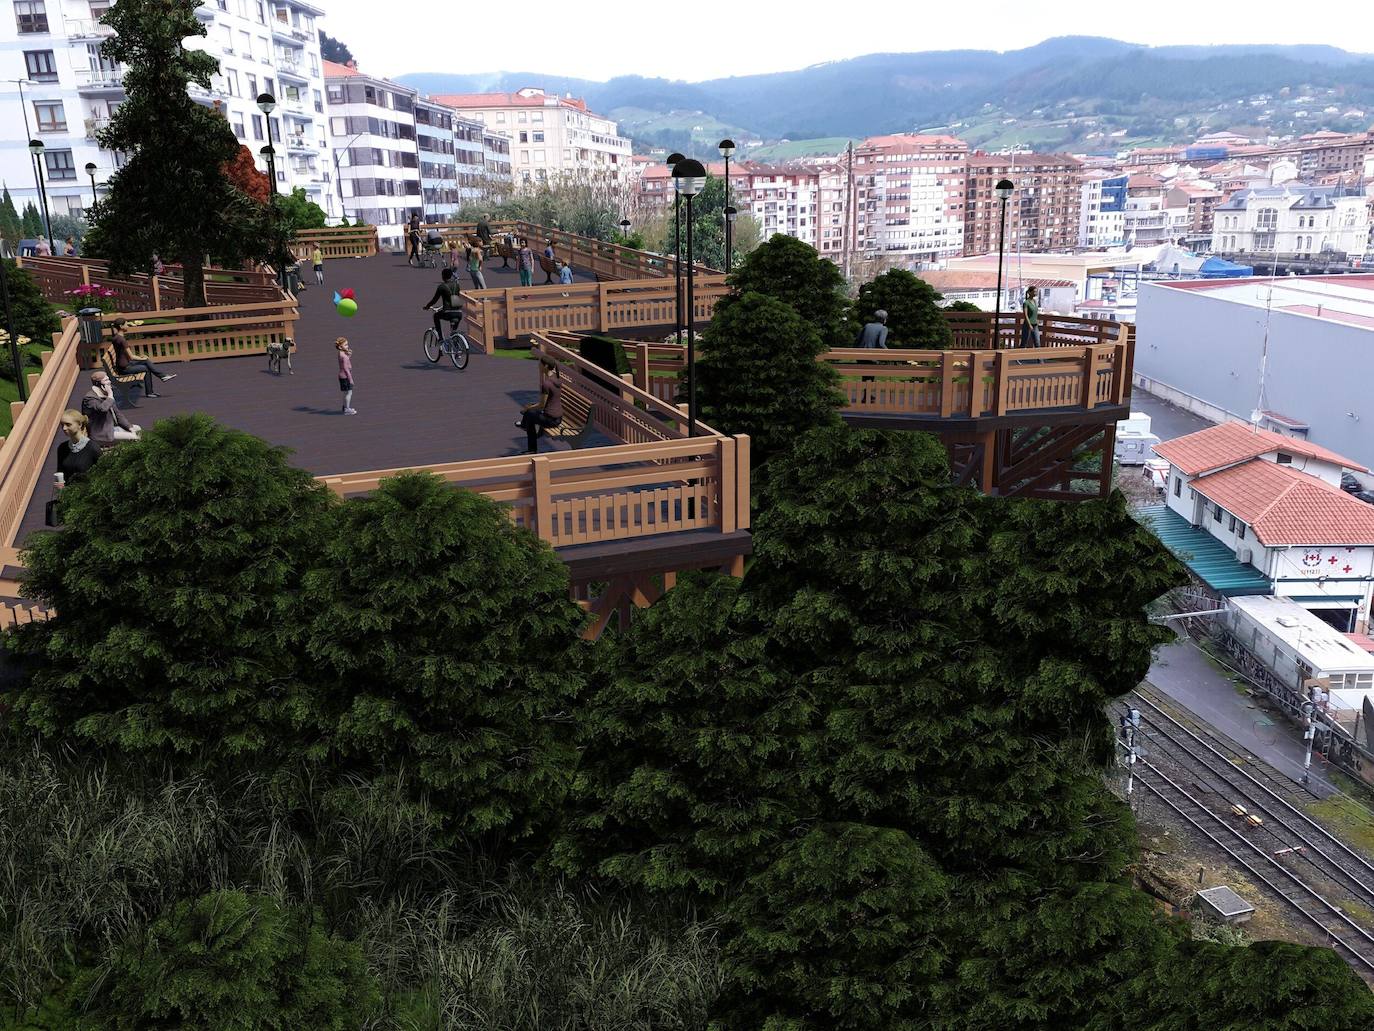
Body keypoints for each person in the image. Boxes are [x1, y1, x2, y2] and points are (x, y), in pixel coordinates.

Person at [110, 319, 176, 398]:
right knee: (145, 367)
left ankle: (162, 377)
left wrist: (142, 358)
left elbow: (127, 355)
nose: (128, 326)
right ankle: (152, 388)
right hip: (124, 368)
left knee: (146, 362)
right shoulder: (121, 340)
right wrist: (142, 358)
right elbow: (131, 356)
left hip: (123, 365)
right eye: (126, 325)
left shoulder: (116, 337)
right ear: (121, 326)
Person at [81, 371, 141, 446]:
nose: (109, 382)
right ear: (98, 384)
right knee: (134, 437)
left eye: (108, 379)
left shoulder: (105, 394)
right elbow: (102, 409)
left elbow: (118, 414)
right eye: (106, 380)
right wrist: (110, 395)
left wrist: (129, 427)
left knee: (137, 429)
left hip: (110, 428)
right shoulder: (90, 399)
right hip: (101, 434)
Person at [516, 365, 564, 454]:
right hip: (558, 417)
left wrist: (528, 408)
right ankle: (525, 426)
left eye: (540, 364)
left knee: (529, 414)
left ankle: (531, 448)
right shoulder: (556, 380)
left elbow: (542, 405)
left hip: (551, 420)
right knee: (530, 414)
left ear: (545, 366)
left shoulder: (547, 384)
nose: (538, 366)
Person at [56, 409, 101, 484]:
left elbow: (102, 476)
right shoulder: (62, 448)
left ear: (79, 425)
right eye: (62, 425)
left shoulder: (93, 448)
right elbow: (60, 473)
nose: (64, 428)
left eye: (68, 424)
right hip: (68, 494)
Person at [855, 309, 889, 403]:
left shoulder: (867, 325)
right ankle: (867, 396)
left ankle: (867, 395)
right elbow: (881, 344)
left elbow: (858, 339)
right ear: (884, 319)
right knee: (870, 376)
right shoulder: (883, 328)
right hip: (872, 357)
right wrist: (889, 353)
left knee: (866, 376)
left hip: (861, 356)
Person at [422, 267, 464, 338]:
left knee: (436, 316)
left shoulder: (441, 287)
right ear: (451, 276)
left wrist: (427, 306)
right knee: (453, 331)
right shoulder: (457, 285)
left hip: (448, 312)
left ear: (443, 276)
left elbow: (434, 300)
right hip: (459, 312)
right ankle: (454, 339)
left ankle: (440, 338)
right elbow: (455, 297)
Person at [336, 337, 356, 415]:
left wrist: (349, 355)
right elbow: (346, 368)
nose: (347, 346)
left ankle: (345, 407)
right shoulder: (343, 356)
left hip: (342, 376)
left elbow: (345, 363)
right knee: (349, 393)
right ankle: (347, 409)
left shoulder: (341, 353)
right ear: (340, 347)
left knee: (345, 393)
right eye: (345, 345)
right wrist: (350, 379)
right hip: (345, 377)